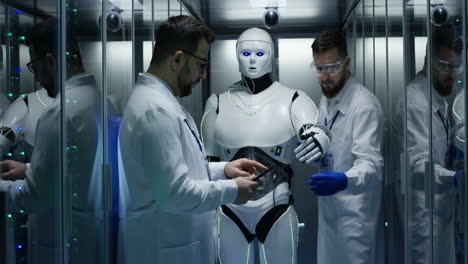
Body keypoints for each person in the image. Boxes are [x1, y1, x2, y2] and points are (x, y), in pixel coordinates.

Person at [117, 15, 265, 264]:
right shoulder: (155, 111)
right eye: (201, 64)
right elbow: (175, 194)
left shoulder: (162, 103)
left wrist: (223, 170)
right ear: (177, 59)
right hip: (164, 252)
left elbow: (177, 170)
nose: (204, 75)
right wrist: (231, 191)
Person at [200, 27, 331, 264]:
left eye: (259, 54)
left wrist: (319, 137)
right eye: (246, 53)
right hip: (230, 209)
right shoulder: (217, 102)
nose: (252, 60)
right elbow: (206, 164)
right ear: (236, 54)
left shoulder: (293, 99)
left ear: (271, 55)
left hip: (277, 207)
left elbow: (314, 128)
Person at [0, 18, 102, 264]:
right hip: (90, 238)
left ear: (50, 61)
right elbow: (79, 168)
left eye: (35, 66)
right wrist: (29, 169)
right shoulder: (99, 101)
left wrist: (3, 190)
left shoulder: (57, 114)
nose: (37, 78)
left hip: (59, 243)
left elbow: (36, 196)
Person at [301, 30, 384, 263]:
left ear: (347, 64)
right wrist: (315, 151)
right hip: (329, 215)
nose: (325, 76)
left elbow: (372, 166)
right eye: (319, 69)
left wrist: (344, 179)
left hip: (355, 221)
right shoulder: (327, 98)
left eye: (332, 67)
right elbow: (333, 145)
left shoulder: (364, 106)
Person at [394, 26, 462, 264]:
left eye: (455, 66)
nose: (451, 73)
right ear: (427, 61)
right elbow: (418, 166)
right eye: (444, 65)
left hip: (440, 213)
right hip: (424, 217)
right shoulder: (415, 102)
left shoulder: (438, 99)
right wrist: (454, 176)